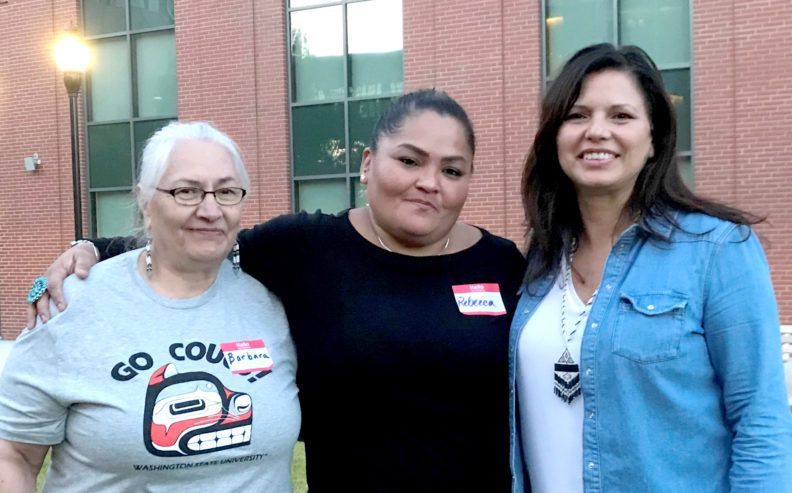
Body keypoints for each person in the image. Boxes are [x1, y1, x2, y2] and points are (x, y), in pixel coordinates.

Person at [27, 90, 526, 492]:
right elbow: (199, 235)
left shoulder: (502, 263)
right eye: (410, 161)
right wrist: (87, 246)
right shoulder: (307, 247)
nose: (429, 182)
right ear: (369, 163)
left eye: (451, 170)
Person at [509, 43, 792, 492]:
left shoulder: (716, 248)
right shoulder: (538, 262)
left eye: (620, 116)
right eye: (577, 115)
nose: (596, 131)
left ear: (654, 138)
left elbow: (761, 420)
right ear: (554, 135)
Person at [0, 122, 300, 491]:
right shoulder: (71, 305)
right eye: (186, 191)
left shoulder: (273, 302)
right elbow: (12, 454)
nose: (210, 209)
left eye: (226, 192)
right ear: (145, 202)